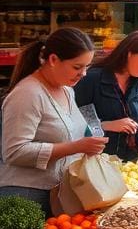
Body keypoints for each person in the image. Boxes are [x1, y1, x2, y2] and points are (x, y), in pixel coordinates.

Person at [0, 28, 108, 215]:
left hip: (59, 195)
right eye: (77, 67)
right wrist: (76, 147)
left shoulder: (67, 91)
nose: (83, 74)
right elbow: (14, 151)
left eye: (87, 67)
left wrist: (91, 142)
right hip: (27, 195)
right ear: (53, 60)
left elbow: (73, 132)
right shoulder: (27, 94)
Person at [74, 30, 138, 161]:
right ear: (129, 54)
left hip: (133, 163)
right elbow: (76, 122)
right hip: (97, 161)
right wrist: (108, 125)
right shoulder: (92, 79)